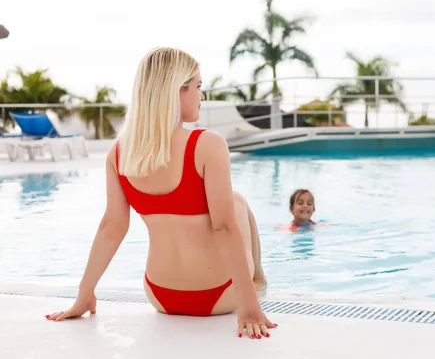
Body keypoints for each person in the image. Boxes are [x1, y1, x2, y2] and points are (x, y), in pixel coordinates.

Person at [46, 47, 275, 339]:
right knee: (236, 202)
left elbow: (112, 227)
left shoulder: (119, 154)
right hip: (219, 294)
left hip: (161, 295)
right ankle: (256, 286)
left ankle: (254, 285)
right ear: (176, 91)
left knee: (229, 205)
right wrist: (249, 309)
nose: (202, 96)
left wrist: (84, 294)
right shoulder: (207, 144)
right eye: (198, 87)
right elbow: (224, 227)